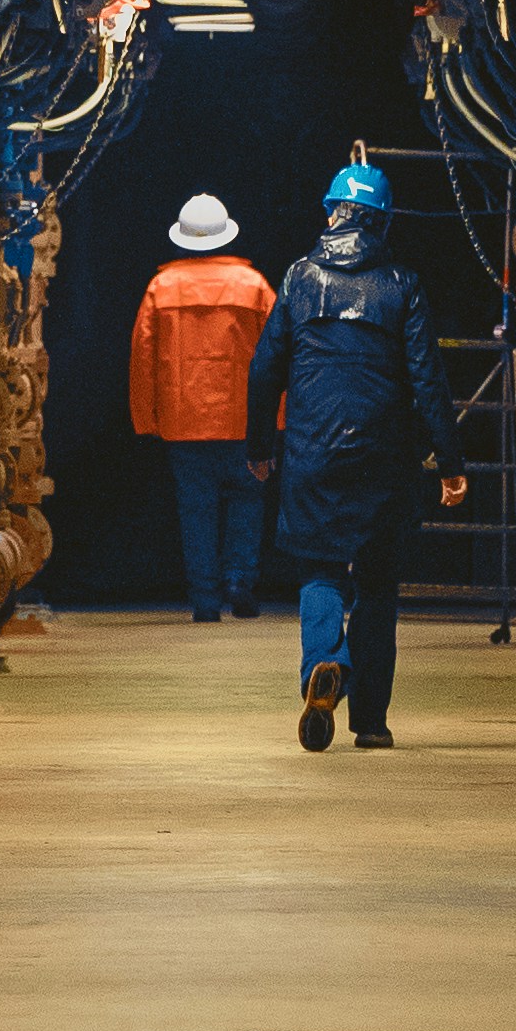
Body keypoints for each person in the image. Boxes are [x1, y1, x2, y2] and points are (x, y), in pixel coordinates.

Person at [245, 159, 469, 752]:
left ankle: (326, 662)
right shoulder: (402, 284)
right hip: (384, 459)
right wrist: (449, 462)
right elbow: (427, 379)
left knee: (319, 570)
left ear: (330, 213)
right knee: (377, 585)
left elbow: (264, 369)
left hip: (312, 454)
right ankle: (369, 720)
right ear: (384, 220)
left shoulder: (297, 278)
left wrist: (259, 448)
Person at [128, 192, 275, 621]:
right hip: (245, 421)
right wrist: (280, 417)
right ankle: (239, 580)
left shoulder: (162, 287)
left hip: (183, 423)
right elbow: (277, 355)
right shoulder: (254, 286)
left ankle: (205, 600)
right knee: (248, 501)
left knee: (196, 510)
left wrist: (145, 417)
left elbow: (142, 358)